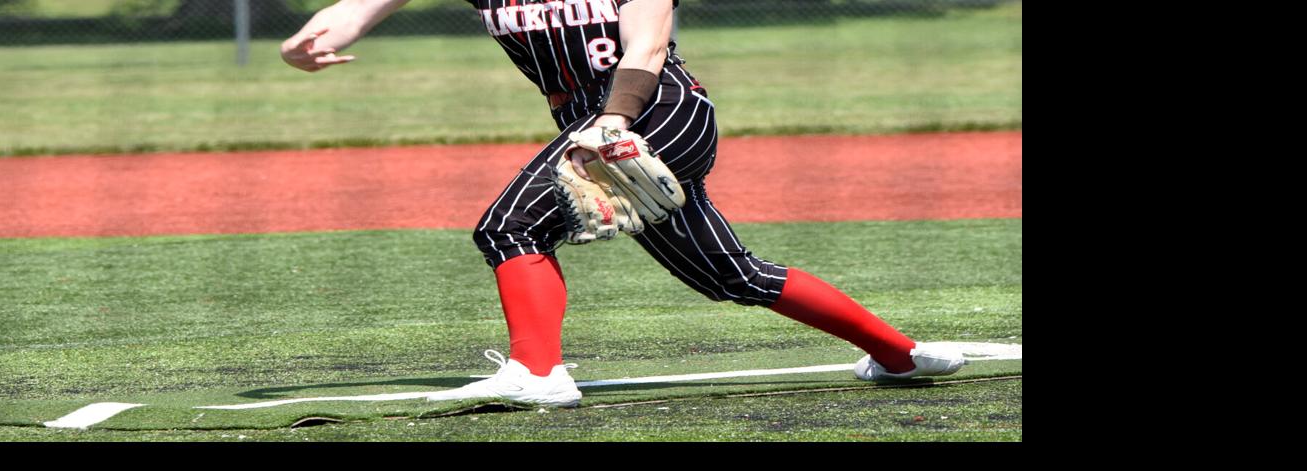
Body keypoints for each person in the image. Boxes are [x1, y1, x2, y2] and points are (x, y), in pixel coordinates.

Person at [280, 0, 964, 407]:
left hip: (657, 109)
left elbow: (649, 42)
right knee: (730, 274)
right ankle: (900, 355)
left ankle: (539, 373)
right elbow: (356, 10)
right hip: (590, 123)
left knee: (510, 225)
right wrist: (309, 43)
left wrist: (613, 122)